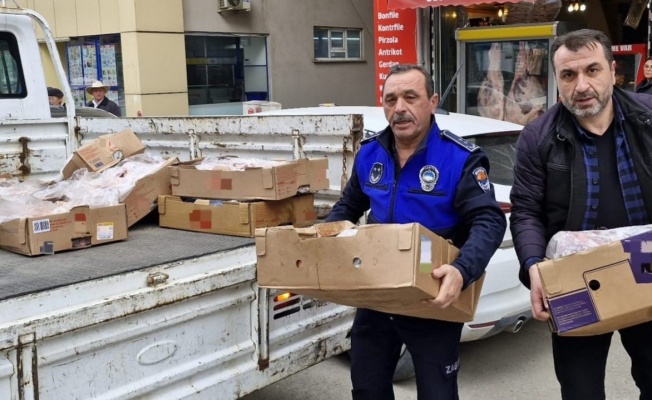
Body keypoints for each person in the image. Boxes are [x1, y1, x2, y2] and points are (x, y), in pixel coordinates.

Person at [326, 64, 506, 400]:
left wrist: (462, 270)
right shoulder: (370, 153)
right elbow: (348, 205)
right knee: (366, 387)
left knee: (438, 394)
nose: (399, 108)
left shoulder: (459, 158)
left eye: (411, 97)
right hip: (376, 292)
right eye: (391, 99)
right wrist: (322, 241)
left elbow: (489, 221)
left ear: (432, 102)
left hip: (432, 293)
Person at [510, 29, 652, 400]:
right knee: (580, 390)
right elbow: (526, 210)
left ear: (613, 71)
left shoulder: (648, 118)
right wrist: (533, 264)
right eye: (569, 75)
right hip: (575, 279)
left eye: (592, 70)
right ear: (557, 81)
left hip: (646, 263)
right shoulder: (538, 137)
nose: (582, 85)